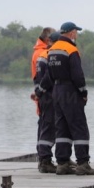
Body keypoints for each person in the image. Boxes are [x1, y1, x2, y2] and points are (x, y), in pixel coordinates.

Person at [42, 21, 94, 175]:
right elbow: (77, 75)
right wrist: (83, 92)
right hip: (70, 91)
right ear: (72, 33)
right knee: (79, 126)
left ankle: (62, 163)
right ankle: (82, 163)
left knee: (62, 128)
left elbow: (49, 75)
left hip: (57, 91)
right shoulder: (71, 49)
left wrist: (41, 90)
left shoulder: (51, 50)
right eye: (76, 32)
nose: (77, 34)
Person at [33, 31, 61, 173]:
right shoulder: (50, 55)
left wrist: (38, 92)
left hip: (43, 96)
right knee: (49, 127)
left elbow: (36, 78)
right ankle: (45, 160)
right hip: (49, 96)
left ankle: (43, 158)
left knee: (45, 126)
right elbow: (49, 77)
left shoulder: (41, 56)